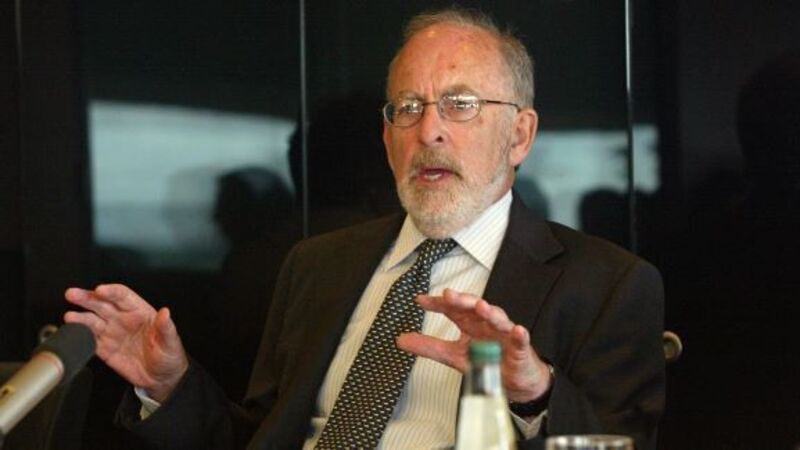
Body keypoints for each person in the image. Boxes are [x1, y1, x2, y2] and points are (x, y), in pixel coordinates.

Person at [63, 7, 664, 450]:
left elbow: (620, 442)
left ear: (520, 135)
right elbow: (259, 438)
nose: (428, 131)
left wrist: (535, 393)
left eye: (460, 105)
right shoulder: (317, 265)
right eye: (408, 108)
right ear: (387, 138)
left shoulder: (606, 284)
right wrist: (171, 387)